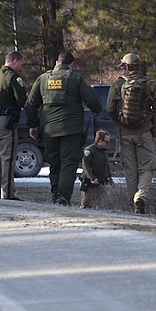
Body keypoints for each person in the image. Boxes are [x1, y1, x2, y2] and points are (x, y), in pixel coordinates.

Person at [25, 50, 102, 205]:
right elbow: (92, 100)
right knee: (68, 163)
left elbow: (30, 105)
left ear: (56, 63)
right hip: (70, 130)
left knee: (54, 164)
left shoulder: (43, 79)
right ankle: (63, 198)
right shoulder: (76, 78)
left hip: (48, 130)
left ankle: (55, 196)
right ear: (71, 65)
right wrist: (96, 111)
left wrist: (33, 125)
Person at [106, 52, 156, 214]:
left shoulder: (118, 84)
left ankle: (133, 203)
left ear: (125, 67)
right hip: (145, 132)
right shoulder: (150, 83)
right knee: (146, 167)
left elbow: (110, 108)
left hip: (125, 133)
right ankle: (141, 197)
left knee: (129, 168)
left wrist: (120, 124)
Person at [0, 50, 28, 201]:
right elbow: (22, 101)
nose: (21, 67)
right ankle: (8, 194)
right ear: (15, 61)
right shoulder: (13, 77)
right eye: (21, 63)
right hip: (4, 122)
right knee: (7, 160)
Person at [79, 130, 113, 208]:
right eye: (106, 142)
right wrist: (92, 178)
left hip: (101, 182)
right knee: (86, 203)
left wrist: (109, 178)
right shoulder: (90, 150)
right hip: (89, 183)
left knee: (100, 203)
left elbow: (106, 167)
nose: (107, 144)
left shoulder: (104, 152)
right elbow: (85, 165)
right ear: (99, 140)